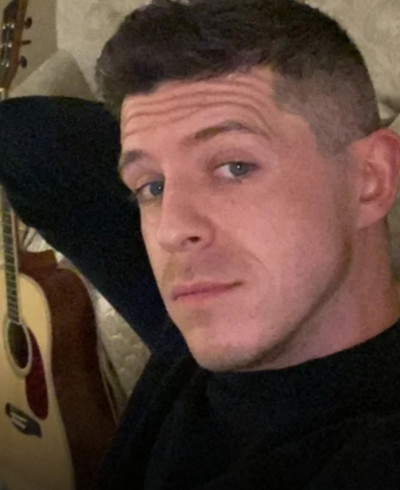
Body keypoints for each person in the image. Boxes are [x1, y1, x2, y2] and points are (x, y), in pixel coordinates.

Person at [0, 0, 400, 488]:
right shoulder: (203, 326)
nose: (171, 231)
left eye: (235, 167)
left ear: (370, 179)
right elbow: (23, 137)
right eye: (152, 187)